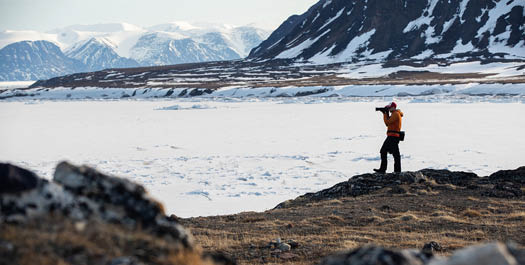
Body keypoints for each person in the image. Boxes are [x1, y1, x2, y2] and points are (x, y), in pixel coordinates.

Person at [374, 102, 404, 173]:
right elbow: (388, 124)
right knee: (392, 153)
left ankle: (387, 170)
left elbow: (387, 122)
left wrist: (385, 114)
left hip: (393, 137)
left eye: (390, 107)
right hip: (392, 136)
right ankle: (394, 170)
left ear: (394, 107)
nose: (389, 109)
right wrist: (386, 113)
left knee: (385, 152)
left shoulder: (396, 114)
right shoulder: (395, 114)